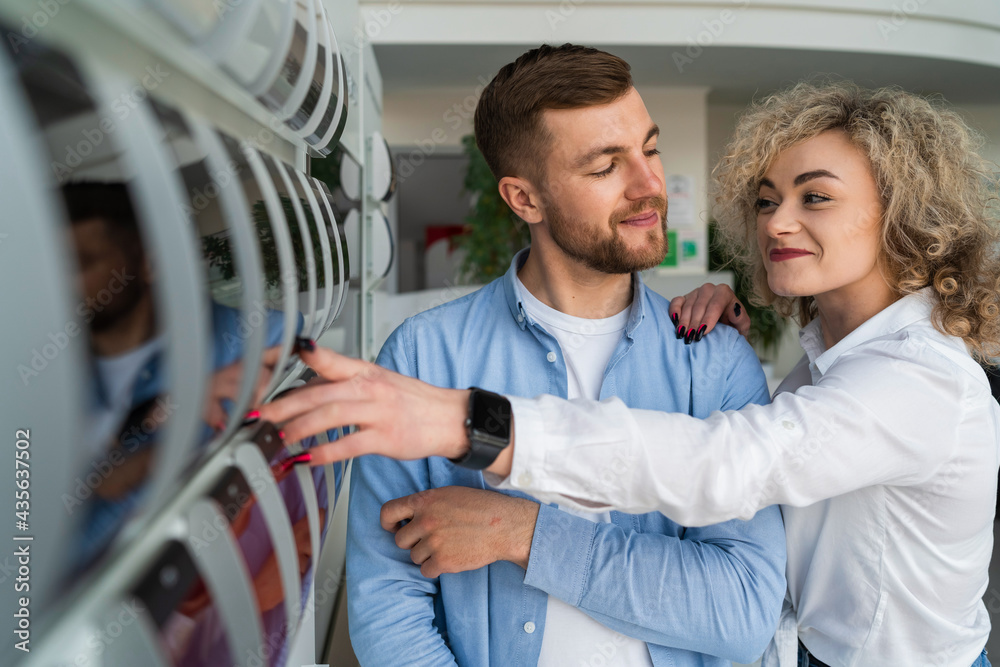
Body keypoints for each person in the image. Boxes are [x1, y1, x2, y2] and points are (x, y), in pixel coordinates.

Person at [260, 81, 1000, 667]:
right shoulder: (811, 359)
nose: (775, 222)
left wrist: (487, 451)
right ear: (524, 199)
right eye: (769, 199)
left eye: (816, 197)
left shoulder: (917, 381)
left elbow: (731, 479)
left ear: (900, 212)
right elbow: (387, 604)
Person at [340, 44, 785, 666]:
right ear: (524, 199)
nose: (650, 185)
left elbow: (740, 611)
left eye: (649, 150)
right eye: (606, 166)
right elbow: (386, 603)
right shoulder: (422, 356)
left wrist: (523, 535)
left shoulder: (711, 360)